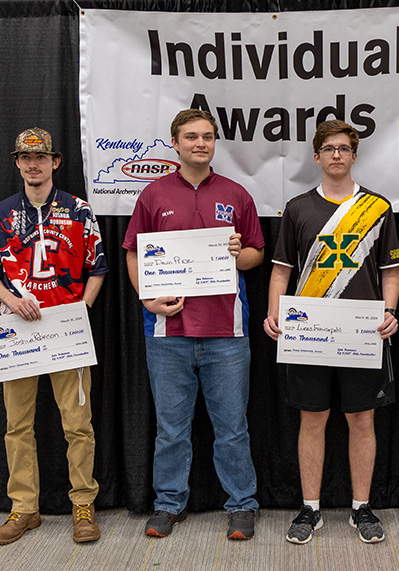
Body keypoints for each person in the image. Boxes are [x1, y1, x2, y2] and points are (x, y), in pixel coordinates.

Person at [123, 109, 264, 540]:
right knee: (171, 429)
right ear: (175, 143)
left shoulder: (237, 194)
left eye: (207, 137)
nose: (199, 143)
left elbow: (255, 254)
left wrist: (237, 252)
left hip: (227, 332)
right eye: (190, 137)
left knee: (232, 428)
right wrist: (146, 297)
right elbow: (133, 253)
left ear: (215, 143)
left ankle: (241, 504)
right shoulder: (153, 195)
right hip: (168, 334)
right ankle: (169, 504)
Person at [264, 120, 399, 544]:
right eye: (329, 148)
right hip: (310, 334)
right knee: (312, 419)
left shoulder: (377, 208)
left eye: (344, 148)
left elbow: (391, 271)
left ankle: (362, 509)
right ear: (317, 156)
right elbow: (280, 271)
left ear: (355, 155)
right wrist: (274, 314)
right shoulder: (298, 208)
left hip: (362, 335)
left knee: (362, 420)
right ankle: (311, 509)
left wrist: (390, 312)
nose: (337, 155)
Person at [0, 128, 107, 544]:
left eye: (41, 157)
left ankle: (83, 505)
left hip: (66, 329)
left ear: (56, 161)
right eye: (26, 157)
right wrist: (12, 301)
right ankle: (23, 509)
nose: (34, 164)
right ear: (17, 163)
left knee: (78, 425)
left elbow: (98, 266)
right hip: (18, 332)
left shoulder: (80, 209)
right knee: (17, 425)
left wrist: (81, 309)